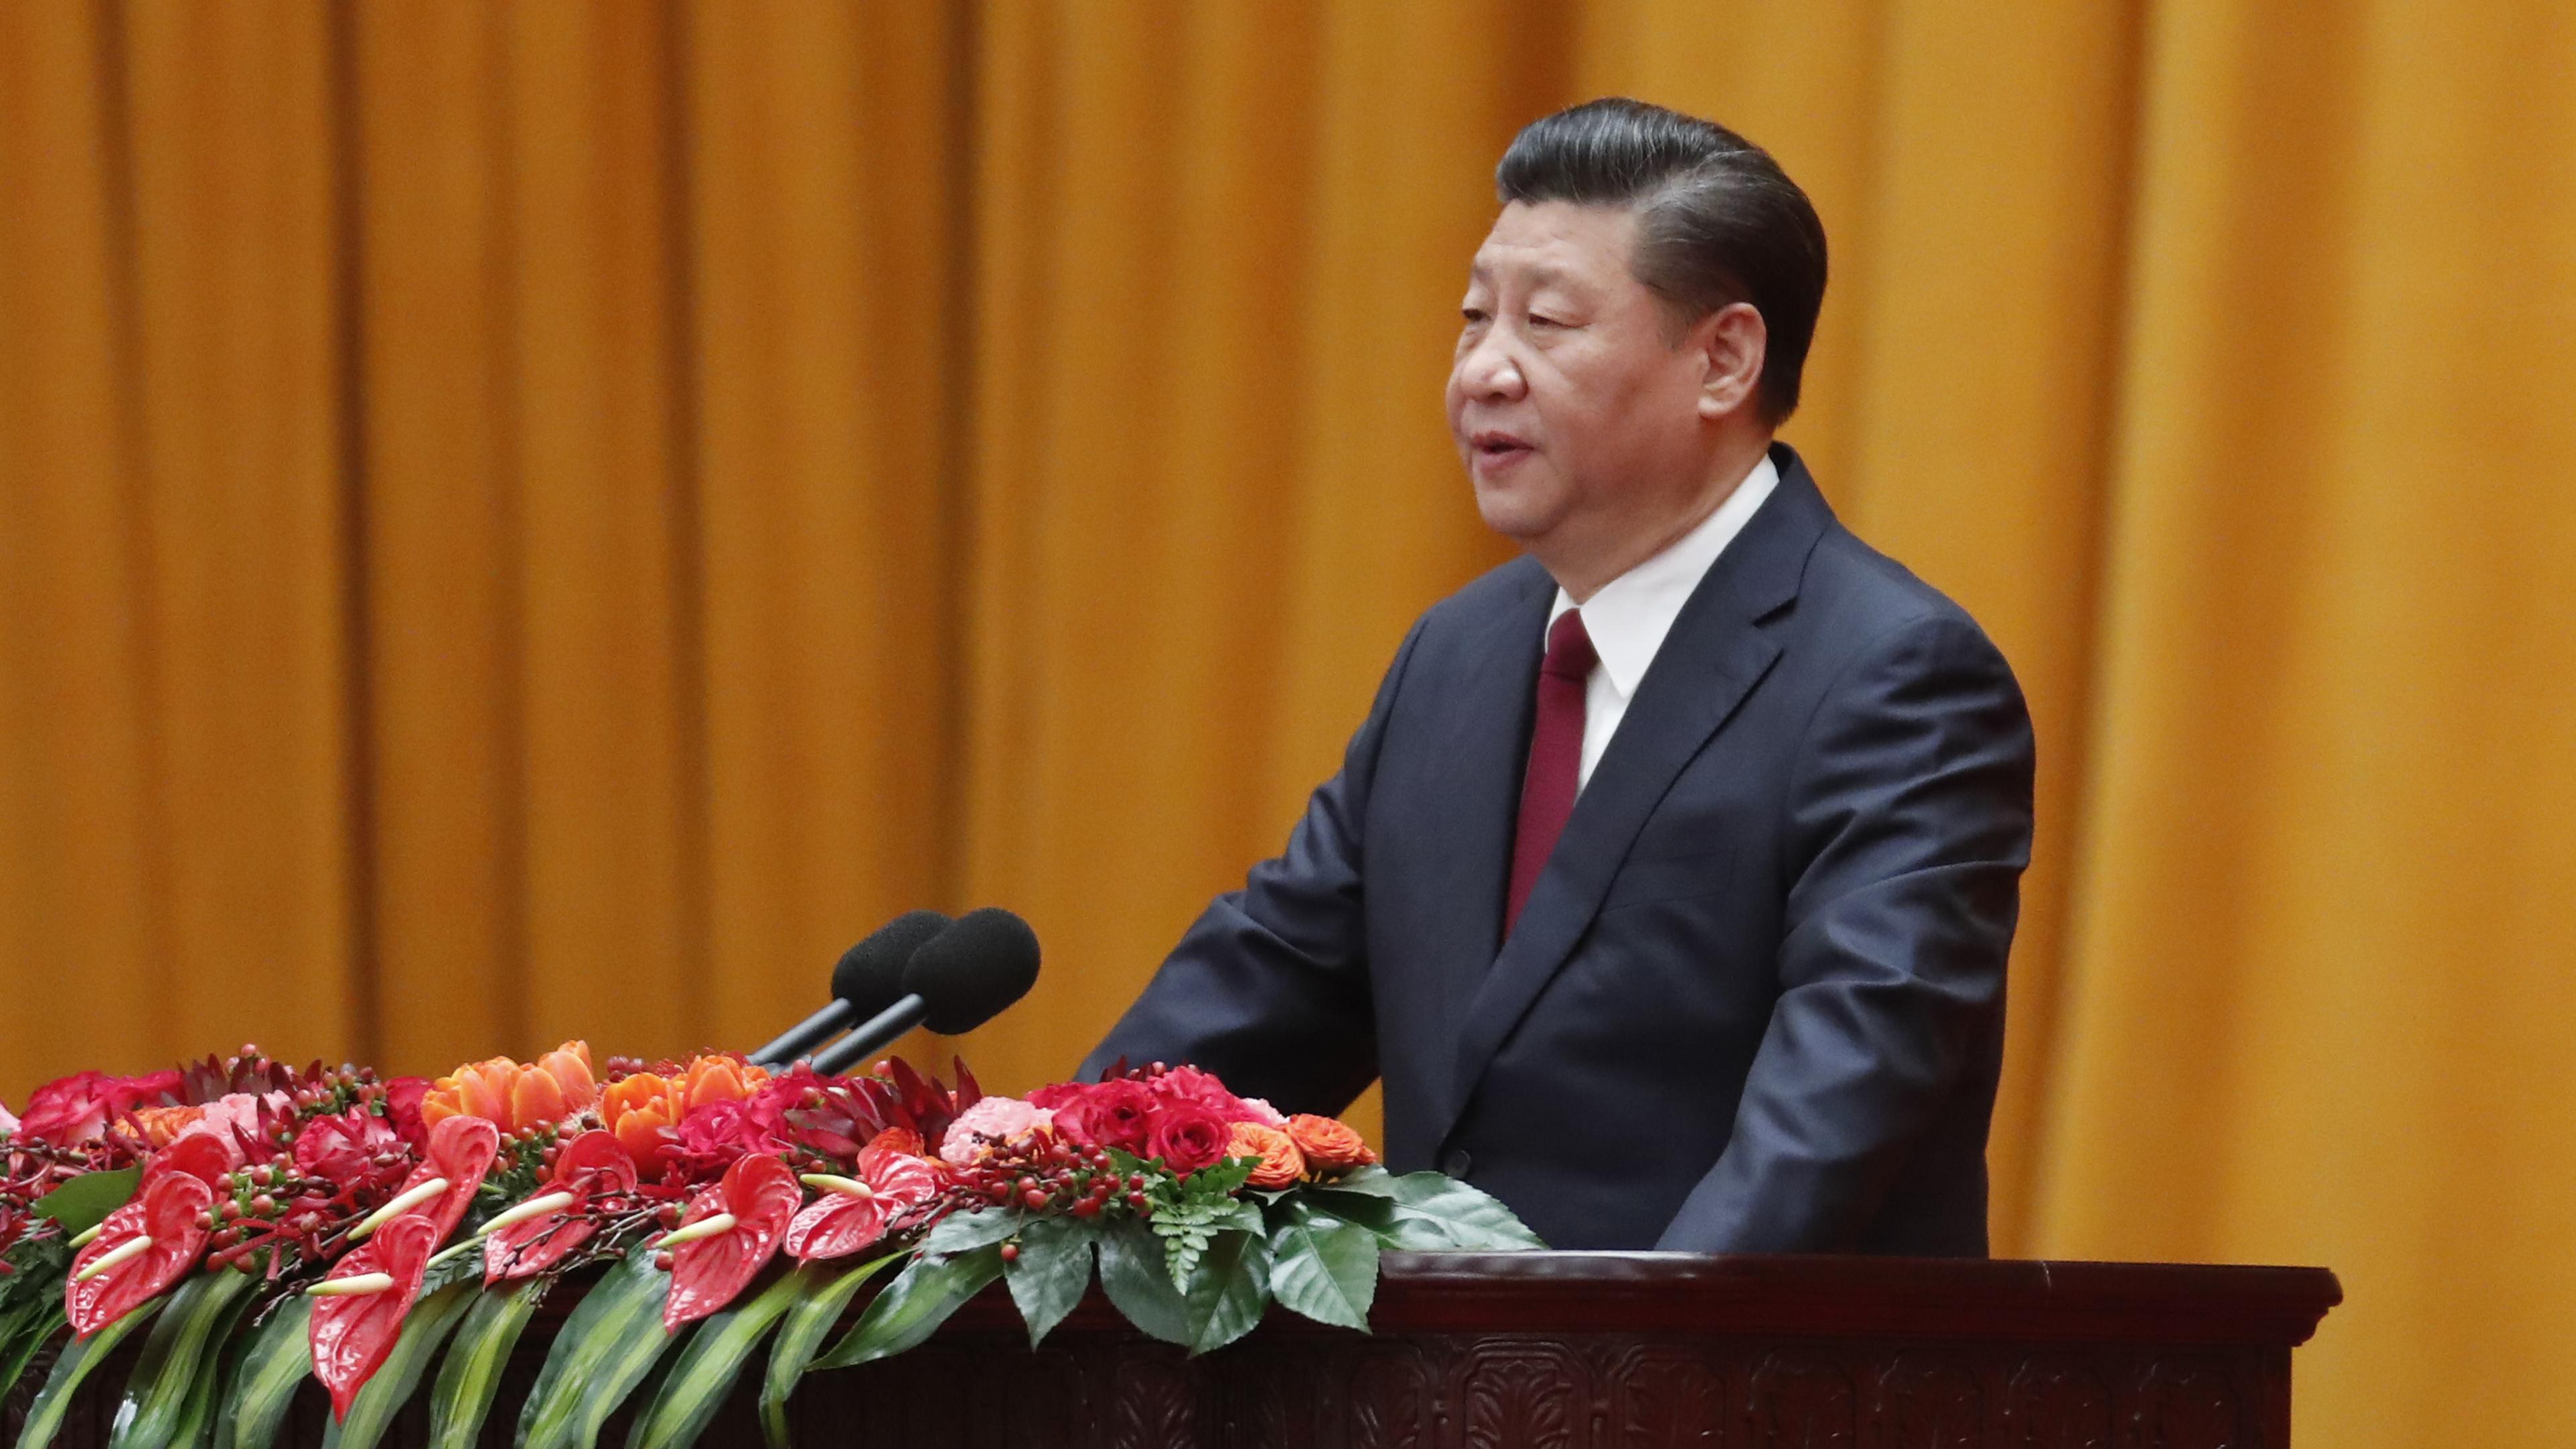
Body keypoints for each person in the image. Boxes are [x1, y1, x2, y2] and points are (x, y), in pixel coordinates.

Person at [1081, 98, 2035, 1255]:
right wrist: (1012, 1196)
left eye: (1546, 323)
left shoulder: (1892, 679)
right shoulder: (1458, 655)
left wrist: (1624, 1379)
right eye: (1474, 317)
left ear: (1724, 359)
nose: (1484, 370)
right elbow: (1270, 986)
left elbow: (1831, 1123)